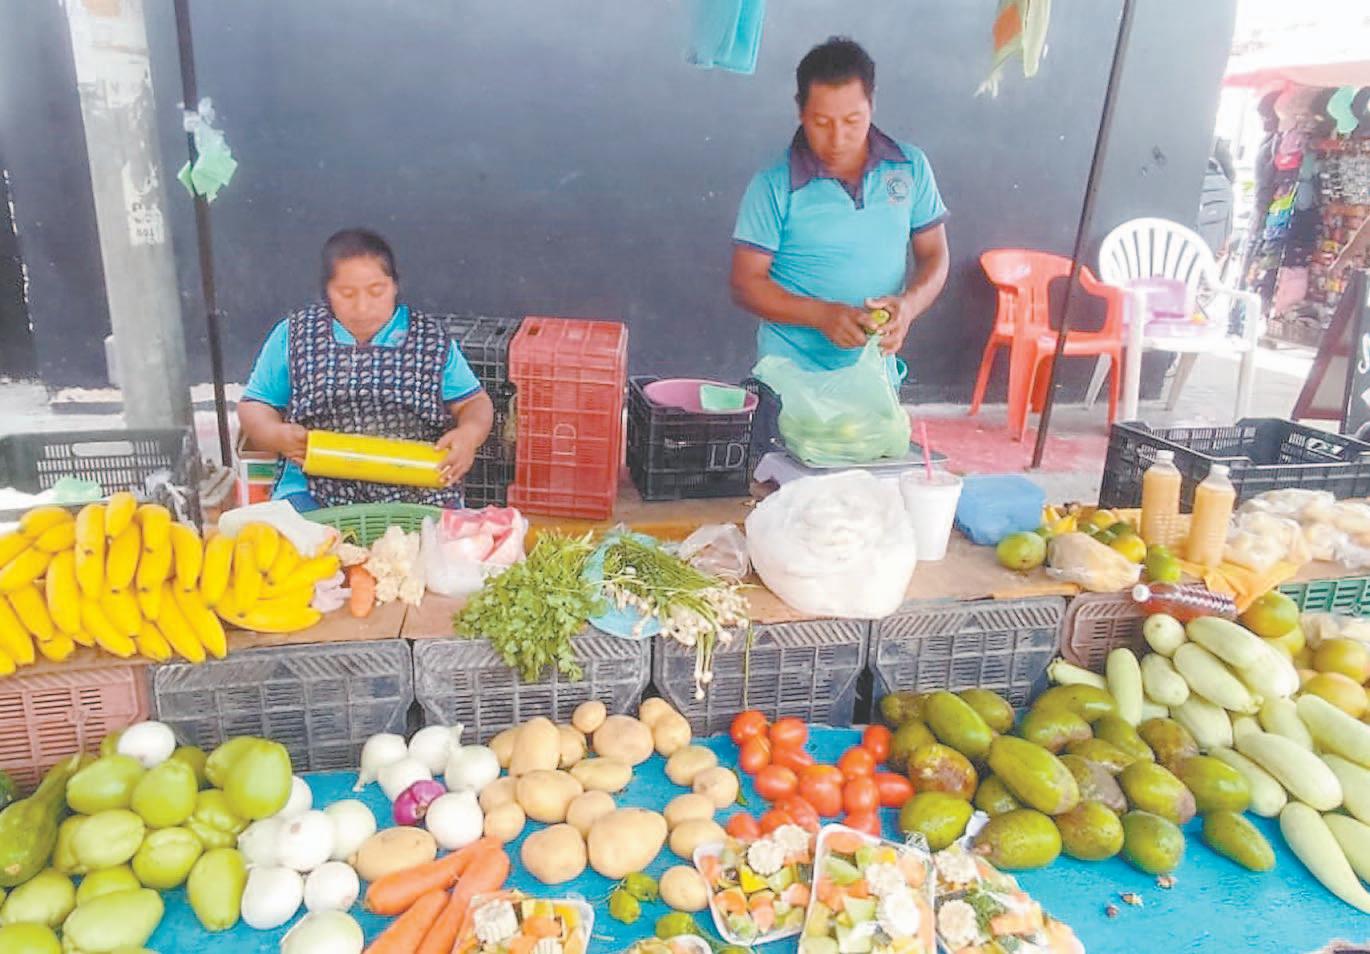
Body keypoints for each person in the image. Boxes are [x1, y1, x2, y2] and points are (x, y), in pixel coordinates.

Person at [730, 37, 950, 386]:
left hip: (874, 378)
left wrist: (908, 306)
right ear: (800, 110)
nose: (837, 139)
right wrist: (821, 315)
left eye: (852, 120)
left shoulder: (910, 167)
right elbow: (746, 284)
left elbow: (935, 254)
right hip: (790, 381)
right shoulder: (773, 183)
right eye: (821, 122)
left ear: (872, 105)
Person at [238, 228, 494, 511]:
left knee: (443, 536)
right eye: (347, 294)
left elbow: (473, 402)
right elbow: (256, 404)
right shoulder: (295, 334)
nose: (362, 308)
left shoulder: (430, 339)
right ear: (327, 291)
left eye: (376, 291)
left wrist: (469, 434)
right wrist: (275, 434)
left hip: (417, 484)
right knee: (293, 534)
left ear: (394, 286)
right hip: (313, 483)